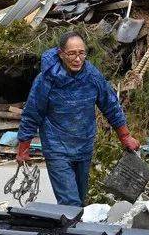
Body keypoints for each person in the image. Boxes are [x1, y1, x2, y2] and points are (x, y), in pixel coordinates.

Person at [16, 32, 139, 206]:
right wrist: (23, 147)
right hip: (56, 147)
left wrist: (125, 136)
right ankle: (70, 223)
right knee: (70, 202)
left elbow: (111, 106)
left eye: (81, 53)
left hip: (84, 145)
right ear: (61, 54)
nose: (77, 59)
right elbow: (32, 113)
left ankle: (73, 223)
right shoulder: (46, 79)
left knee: (80, 201)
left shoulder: (92, 76)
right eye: (72, 54)